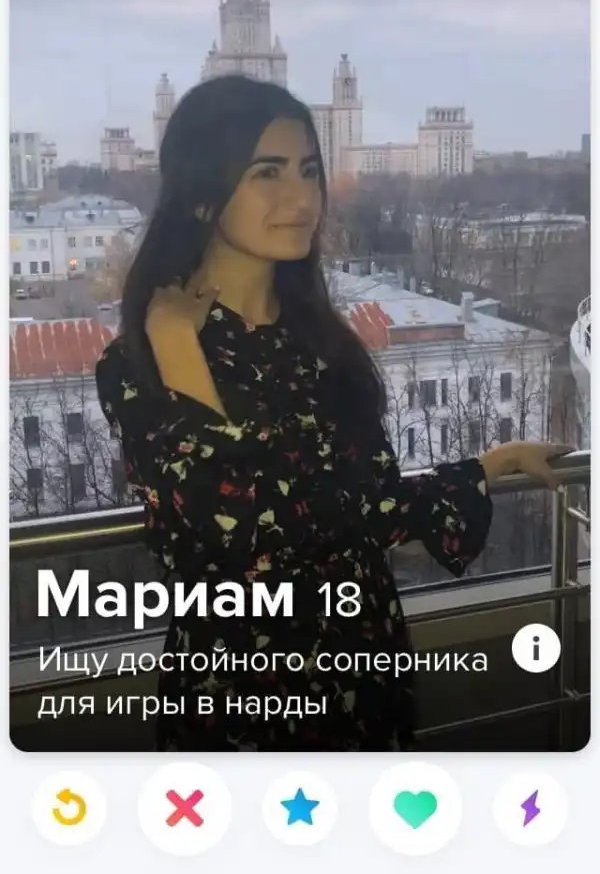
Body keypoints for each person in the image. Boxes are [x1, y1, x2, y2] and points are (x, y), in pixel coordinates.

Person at [96, 74, 567, 752]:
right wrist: (175, 342)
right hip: (244, 693)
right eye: (267, 172)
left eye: (309, 170)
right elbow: (227, 529)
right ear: (201, 196)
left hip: (361, 667)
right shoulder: (141, 359)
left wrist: (491, 466)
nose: (302, 198)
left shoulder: (319, 341)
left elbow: (364, 509)